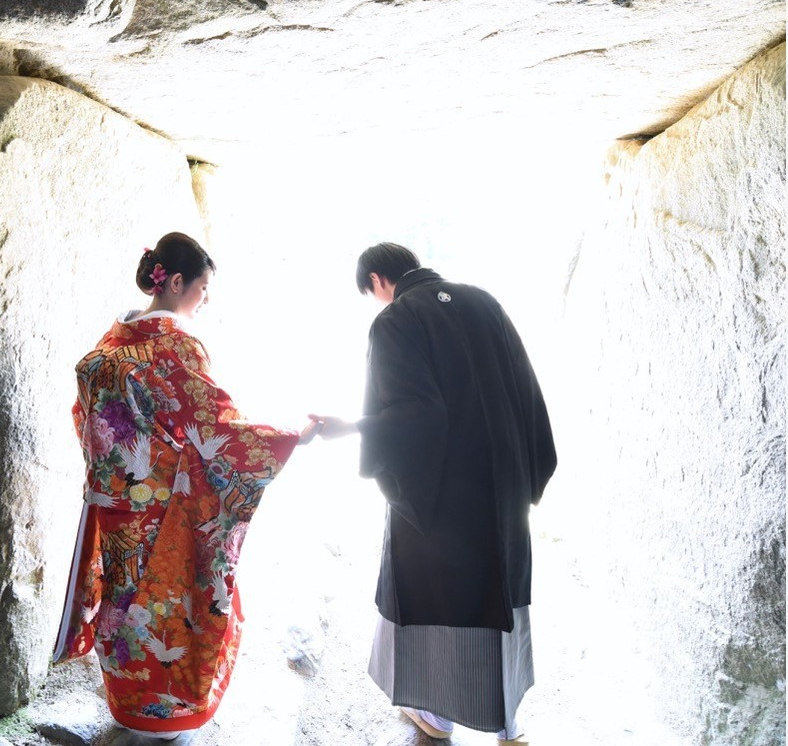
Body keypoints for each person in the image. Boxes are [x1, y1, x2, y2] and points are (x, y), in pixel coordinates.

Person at [53, 232, 319, 744]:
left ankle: (127, 707)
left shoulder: (113, 338)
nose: (204, 301)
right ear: (175, 282)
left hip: (114, 501)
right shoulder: (176, 343)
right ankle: (165, 719)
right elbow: (215, 426)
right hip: (162, 508)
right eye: (202, 289)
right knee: (168, 606)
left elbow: (87, 418)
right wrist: (290, 438)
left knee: (123, 595)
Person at [312, 242, 556, 743]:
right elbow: (526, 389)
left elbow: (413, 416)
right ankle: (508, 723)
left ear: (378, 280)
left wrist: (353, 427)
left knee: (435, 597)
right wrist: (527, 471)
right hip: (502, 485)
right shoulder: (484, 301)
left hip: (440, 494)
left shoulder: (395, 319)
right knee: (497, 594)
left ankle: (438, 718)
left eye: (372, 295)